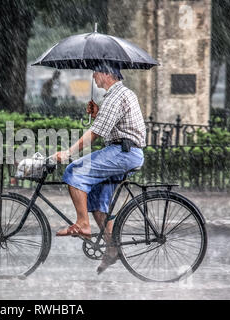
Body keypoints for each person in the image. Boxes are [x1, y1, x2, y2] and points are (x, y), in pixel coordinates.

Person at [52, 66, 146, 274]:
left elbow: (95, 134)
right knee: (97, 199)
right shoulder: (117, 95)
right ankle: (112, 248)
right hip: (123, 151)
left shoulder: (116, 96)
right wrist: (98, 114)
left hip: (123, 153)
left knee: (74, 171)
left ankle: (83, 224)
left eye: (95, 72)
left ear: (106, 74)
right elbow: (112, 127)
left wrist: (68, 153)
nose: (93, 75)